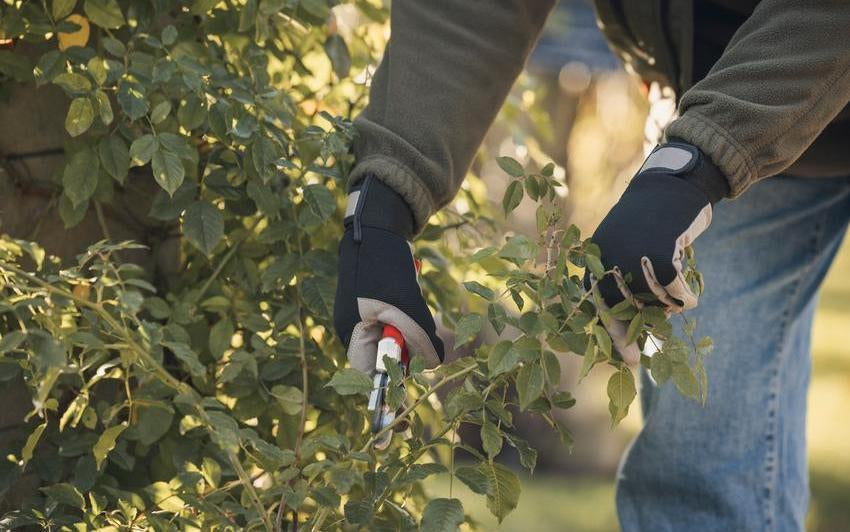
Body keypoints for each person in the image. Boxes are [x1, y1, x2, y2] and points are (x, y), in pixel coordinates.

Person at [332, 1, 850, 530]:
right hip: (729, 89)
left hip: (775, 83)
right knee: (698, 466)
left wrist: (701, 160)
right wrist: (383, 200)